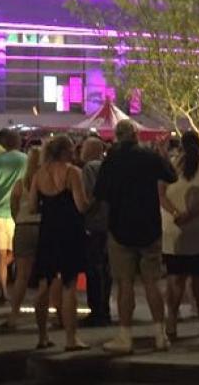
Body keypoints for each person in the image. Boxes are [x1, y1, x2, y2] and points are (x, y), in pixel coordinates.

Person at [93, 120, 176, 354]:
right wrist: (162, 153)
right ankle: (160, 334)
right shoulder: (149, 157)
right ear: (136, 135)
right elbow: (172, 176)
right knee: (152, 282)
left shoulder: (111, 160)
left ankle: (125, 335)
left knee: (125, 283)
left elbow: (100, 194)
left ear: (117, 137)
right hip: (149, 225)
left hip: (120, 226)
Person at [160, 129, 199, 341]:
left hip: (174, 231)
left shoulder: (170, 167)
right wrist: (194, 213)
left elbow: (160, 195)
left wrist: (177, 213)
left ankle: (171, 324)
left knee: (175, 279)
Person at [29, 135, 89, 351]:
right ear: (64, 151)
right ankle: (71, 339)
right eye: (71, 150)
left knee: (44, 284)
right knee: (69, 284)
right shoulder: (72, 172)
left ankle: (42, 336)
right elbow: (81, 205)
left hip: (48, 231)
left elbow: (32, 206)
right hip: (70, 230)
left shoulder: (39, 174)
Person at [0, 129, 27, 302]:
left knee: (0, 255)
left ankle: (3, 291)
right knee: (19, 252)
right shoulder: (26, 160)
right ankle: (15, 290)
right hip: (18, 211)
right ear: (18, 143)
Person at [5, 145, 41, 328]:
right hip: (42, 227)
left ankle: (14, 315)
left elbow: (13, 207)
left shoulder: (20, 183)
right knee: (46, 276)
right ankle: (49, 314)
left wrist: (19, 219)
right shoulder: (46, 181)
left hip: (23, 227)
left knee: (22, 276)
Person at [80, 137, 111, 327]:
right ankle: (104, 308)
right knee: (106, 270)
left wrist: (83, 210)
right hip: (110, 223)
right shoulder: (109, 167)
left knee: (94, 268)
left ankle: (97, 311)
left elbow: (91, 195)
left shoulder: (90, 168)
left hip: (94, 224)